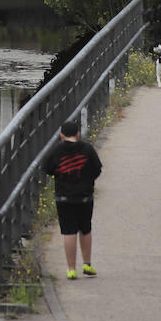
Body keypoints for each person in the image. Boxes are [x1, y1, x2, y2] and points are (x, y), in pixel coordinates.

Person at [43, 118, 102, 279]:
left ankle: (71, 269)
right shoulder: (87, 149)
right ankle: (87, 264)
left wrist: (60, 176)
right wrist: (87, 180)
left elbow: (47, 168)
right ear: (78, 134)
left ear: (61, 136)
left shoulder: (56, 151)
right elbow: (97, 169)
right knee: (85, 229)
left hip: (64, 197)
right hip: (85, 196)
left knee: (68, 232)